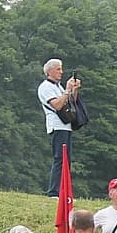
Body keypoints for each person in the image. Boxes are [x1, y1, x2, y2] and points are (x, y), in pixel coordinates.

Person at [38, 59, 80, 197]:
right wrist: (67, 91)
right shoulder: (45, 87)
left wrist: (74, 90)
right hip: (57, 127)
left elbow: (70, 102)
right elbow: (57, 105)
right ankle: (53, 192)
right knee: (59, 159)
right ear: (49, 71)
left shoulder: (58, 87)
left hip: (66, 127)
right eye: (58, 69)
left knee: (67, 160)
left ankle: (64, 191)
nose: (61, 72)